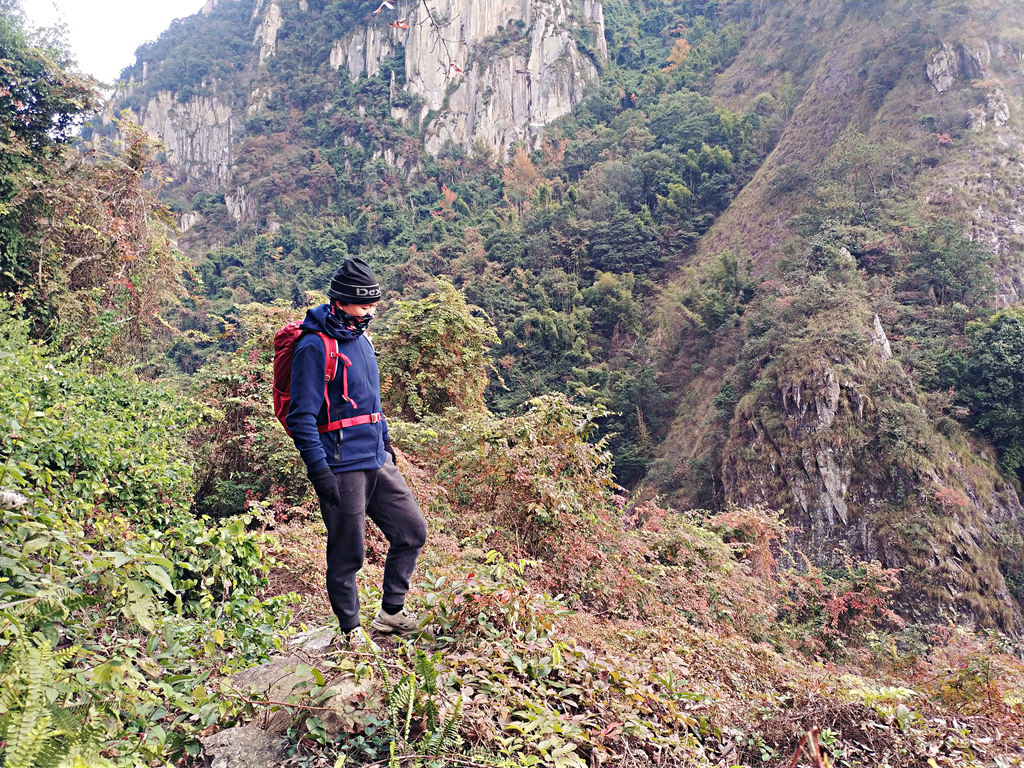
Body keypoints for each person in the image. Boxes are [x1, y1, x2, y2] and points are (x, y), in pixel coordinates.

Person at [286, 257, 427, 641]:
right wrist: (320, 473)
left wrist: (387, 447)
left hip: (375, 459)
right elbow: (301, 417)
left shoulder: (362, 339)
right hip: (340, 465)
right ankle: (351, 631)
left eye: (374, 306)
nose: (371, 313)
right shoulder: (315, 347)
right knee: (348, 554)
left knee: (412, 531)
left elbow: (372, 402)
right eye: (365, 306)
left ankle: (391, 613)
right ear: (343, 302)